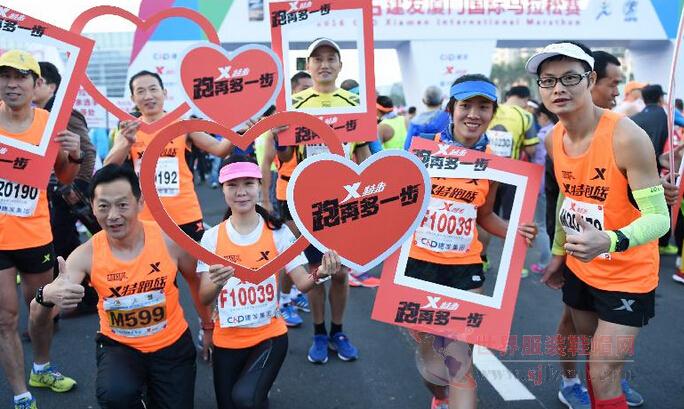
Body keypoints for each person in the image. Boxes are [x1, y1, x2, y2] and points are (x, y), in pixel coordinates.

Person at [531, 41, 669, 409]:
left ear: (590, 80)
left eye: (570, 78)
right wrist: (559, 253)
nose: (558, 88)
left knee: (604, 370)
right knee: (596, 365)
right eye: (548, 81)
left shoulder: (627, 136)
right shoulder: (554, 137)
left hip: (628, 276)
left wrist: (609, 240)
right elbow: (568, 197)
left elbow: (659, 218)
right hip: (582, 268)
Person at [407, 74, 537, 409]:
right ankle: (441, 398)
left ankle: (453, 397)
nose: (474, 114)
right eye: (466, 105)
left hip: (465, 269)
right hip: (418, 266)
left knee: (459, 359)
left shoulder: (493, 163)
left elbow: (485, 215)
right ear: (451, 109)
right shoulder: (421, 151)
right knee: (430, 362)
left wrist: (515, 230)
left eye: (484, 107)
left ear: (493, 112)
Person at [29, 164, 204, 409]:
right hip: (120, 347)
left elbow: (197, 281)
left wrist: (208, 327)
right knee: (115, 395)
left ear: (140, 203)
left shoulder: (169, 240)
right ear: (92, 207)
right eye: (103, 206)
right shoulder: (85, 255)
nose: (113, 215)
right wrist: (45, 296)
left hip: (172, 344)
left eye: (122, 205)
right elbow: (39, 317)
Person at [197, 155, 343, 409]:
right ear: (222, 189)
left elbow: (302, 282)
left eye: (248, 183)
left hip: (269, 336)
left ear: (259, 185)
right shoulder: (211, 238)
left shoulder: (278, 232)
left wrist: (321, 272)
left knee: (245, 398)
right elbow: (204, 297)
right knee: (235, 403)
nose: (241, 192)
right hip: (227, 340)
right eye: (232, 185)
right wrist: (216, 282)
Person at [280, 37, 371, 362]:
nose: (325, 64)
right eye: (317, 59)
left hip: (345, 202)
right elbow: (285, 156)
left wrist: (365, 198)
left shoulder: (354, 103)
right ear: (308, 66)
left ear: (340, 65)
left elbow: (363, 152)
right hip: (309, 202)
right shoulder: (294, 104)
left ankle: (338, 331)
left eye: (331, 58)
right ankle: (319, 333)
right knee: (316, 271)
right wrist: (278, 135)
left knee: (342, 273)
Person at [0, 49, 82, 409]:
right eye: (5, 76)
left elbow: (64, 175)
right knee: (6, 319)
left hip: (35, 234)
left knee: (43, 308)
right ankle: (21, 393)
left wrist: (74, 153)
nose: (11, 84)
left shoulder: (49, 124)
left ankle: (42, 368)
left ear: (36, 85)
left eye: (20, 77)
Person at [104, 70, 233, 242]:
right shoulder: (129, 130)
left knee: (194, 260)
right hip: (146, 218)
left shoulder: (182, 125)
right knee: (155, 261)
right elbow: (108, 168)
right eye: (141, 91)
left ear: (164, 93)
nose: (148, 96)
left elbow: (220, 149)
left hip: (184, 214)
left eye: (153, 89)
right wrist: (126, 143)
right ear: (133, 98)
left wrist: (239, 130)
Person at [34, 61, 100, 315]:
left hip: (69, 192)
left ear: (51, 86)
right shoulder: (42, 114)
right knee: (67, 242)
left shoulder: (63, 113)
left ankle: (88, 296)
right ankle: (84, 296)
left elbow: (88, 151)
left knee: (66, 243)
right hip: (58, 192)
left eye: (37, 81)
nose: (29, 86)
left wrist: (76, 187)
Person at [403, 85, 450, 150]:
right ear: (442, 100)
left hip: (423, 155)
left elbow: (407, 147)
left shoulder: (414, 122)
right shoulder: (448, 117)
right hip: (447, 155)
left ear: (423, 101)